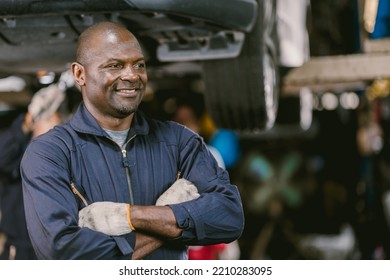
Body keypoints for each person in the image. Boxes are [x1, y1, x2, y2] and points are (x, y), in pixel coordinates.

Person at [20, 21, 244, 260]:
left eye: (139, 64)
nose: (132, 75)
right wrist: (169, 220)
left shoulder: (179, 142)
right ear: (80, 74)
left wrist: (127, 216)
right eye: (115, 65)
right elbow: (62, 251)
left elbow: (229, 217)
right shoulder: (49, 153)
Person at [0, 91, 64, 259]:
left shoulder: (64, 161)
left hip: (56, 251)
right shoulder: (18, 159)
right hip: (20, 250)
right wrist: (27, 122)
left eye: (55, 121)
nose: (52, 126)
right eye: (47, 119)